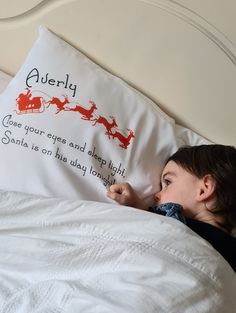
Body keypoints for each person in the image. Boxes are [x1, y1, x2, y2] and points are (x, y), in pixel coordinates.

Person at [107, 144, 236, 271]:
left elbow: (160, 225)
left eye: (168, 182)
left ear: (203, 189)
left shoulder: (178, 223)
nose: (156, 195)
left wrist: (138, 206)